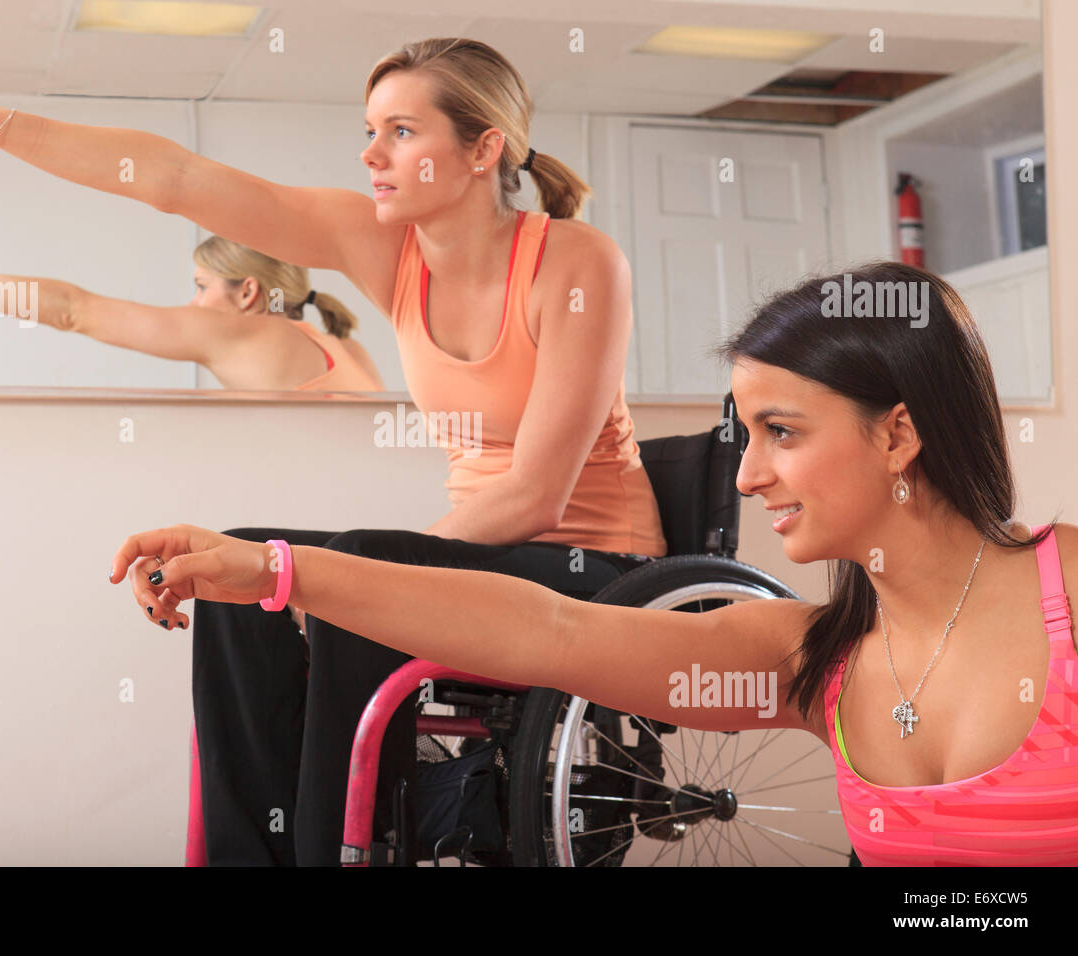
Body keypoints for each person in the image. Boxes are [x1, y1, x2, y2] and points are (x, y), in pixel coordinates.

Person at [0, 36, 671, 865]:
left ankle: (325, 851)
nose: (371, 153)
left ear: (484, 148)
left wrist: (343, 578)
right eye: (371, 129)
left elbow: (536, 497)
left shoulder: (576, 262)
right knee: (242, 569)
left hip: (592, 571)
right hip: (485, 564)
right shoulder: (383, 245)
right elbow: (173, 180)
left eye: (402, 132)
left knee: (321, 569)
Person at [112, 259, 1078, 867]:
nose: (747, 477)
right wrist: (282, 571)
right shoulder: (811, 662)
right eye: (745, 435)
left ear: (900, 433)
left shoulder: (1065, 591)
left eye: (782, 432)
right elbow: (549, 630)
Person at [0, 227, 384, 392]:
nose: (194, 304)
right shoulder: (346, 346)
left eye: (200, 286)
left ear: (246, 294)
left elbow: (74, 310)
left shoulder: (233, 333)